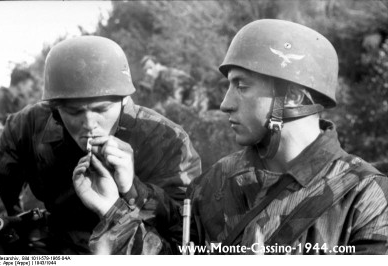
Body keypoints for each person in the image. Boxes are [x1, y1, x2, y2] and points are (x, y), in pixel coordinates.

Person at [87, 19, 388, 255]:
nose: (225, 103)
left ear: (294, 96)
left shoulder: (366, 198)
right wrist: (114, 208)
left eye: (242, 86)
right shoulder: (215, 182)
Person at [0, 36, 201, 254]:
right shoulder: (30, 126)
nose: (89, 124)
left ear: (124, 99)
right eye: (74, 112)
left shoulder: (167, 142)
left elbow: (184, 245)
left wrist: (132, 190)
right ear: (55, 107)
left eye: (101, 110)